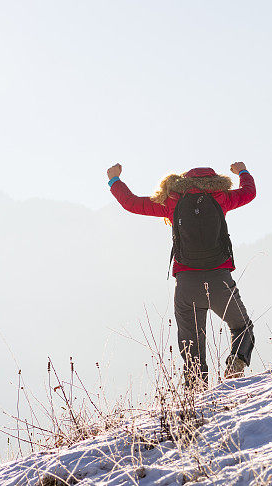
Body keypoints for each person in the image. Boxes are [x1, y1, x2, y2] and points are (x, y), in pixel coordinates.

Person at [106, 161, 256, 389]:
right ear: (214, 181)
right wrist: (242, 172)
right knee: (242, 327)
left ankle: (196, 393)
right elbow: (249, 192)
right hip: (219, 279)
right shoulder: (221, 198)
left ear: (184, 181)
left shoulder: (172, 202)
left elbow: (131, 203)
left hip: (186, 285)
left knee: (192, 346)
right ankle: (236, 362)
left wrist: (115, 180)